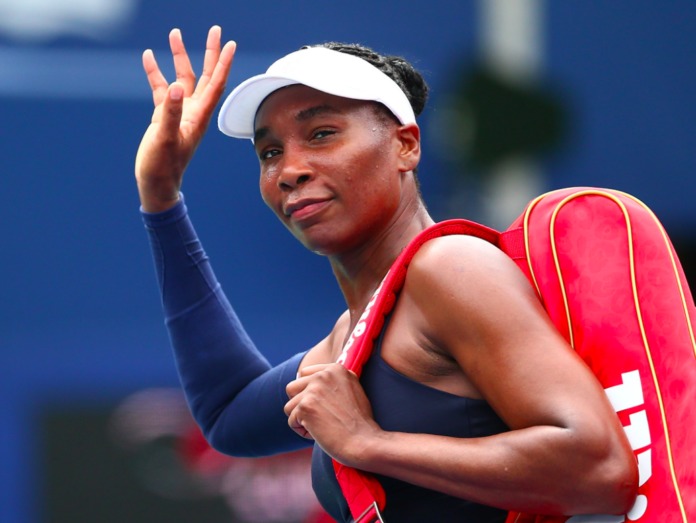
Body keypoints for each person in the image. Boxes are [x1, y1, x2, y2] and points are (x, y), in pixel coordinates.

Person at [135, 26, 638, 522]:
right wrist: (161, 198)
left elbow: (599, 468)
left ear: (405, 146)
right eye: (270, 153)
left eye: (321, 134)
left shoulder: (450, 268)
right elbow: (228, 415)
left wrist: (369, 444)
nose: (290, 170)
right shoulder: (349, 339)